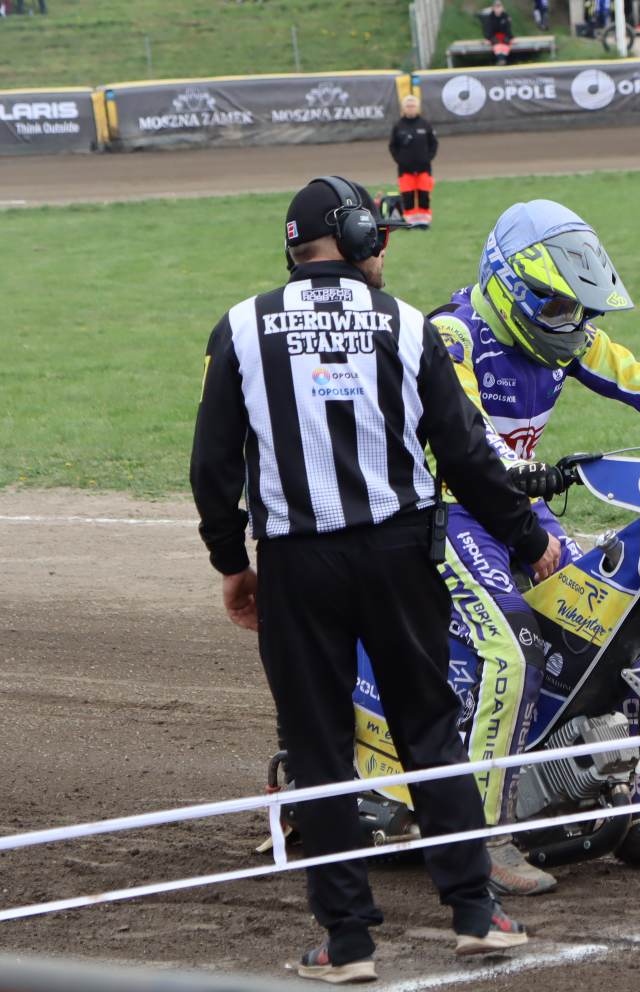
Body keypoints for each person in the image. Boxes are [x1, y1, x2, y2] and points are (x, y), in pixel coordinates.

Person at [191, 176, 562, 982]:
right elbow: (465, 453)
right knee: (429, 730)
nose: (384, 250)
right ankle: (476, 912)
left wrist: (231, 564)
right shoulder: (406, 323)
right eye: (378, 236)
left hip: (297, 564)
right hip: (400, 556)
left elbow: (211, 468)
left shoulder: (241, 327)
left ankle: (348, 941)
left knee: (319, 748)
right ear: (358, 236)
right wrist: (526, 535)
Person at [426, 199, 640, 894]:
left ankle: (628, 805)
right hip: (454, 512)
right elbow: (466, 432)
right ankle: (484, 839)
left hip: (521, 507)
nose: (575, 324)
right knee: (513, 652)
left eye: (582, 311)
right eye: (560, 308)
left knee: (620, 626)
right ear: (510, 287)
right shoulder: (452, 334)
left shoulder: (567, 337)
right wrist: (515, 469)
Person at [388, 95, 438, 229]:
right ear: (403, 108)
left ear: (417, 108)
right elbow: (392, 146)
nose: (410, 108)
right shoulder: (398, 126)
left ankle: (423, 222)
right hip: (405, 170)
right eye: (408, 106)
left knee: (423, 195)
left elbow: (433, 144)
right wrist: (400, 160)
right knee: (408, 196)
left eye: (413, 106)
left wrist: (428, 158)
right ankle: (409, 222)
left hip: (424, 168)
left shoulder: (425, 125)